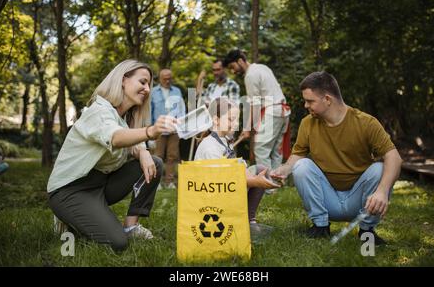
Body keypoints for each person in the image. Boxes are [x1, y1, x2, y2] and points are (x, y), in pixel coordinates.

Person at [47, 60, 178, 252]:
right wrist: (150, 132)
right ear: (123, 80)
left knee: (155, 164)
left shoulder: (123, 117)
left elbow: (128, 135)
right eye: (142, 82)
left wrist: (143, 152)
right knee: (117, 242)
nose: (147, 89)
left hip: (100, 185)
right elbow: (116, 137)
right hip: (70, 190)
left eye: (149, 84)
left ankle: (131, 226)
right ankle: (68, 218)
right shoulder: (99, 111)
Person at [270, 71, 403, 245]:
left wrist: (382, 191)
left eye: (310, 101)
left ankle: (366, 231)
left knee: (379, 169)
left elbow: (394, 157)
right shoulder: (307, 123)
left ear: (327, 99)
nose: (305, 105)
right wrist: (283, 170)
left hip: (361, 202)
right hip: (328, 199)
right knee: (301, 165)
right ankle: (320, 227)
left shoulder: (365, 122)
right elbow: (298, 155)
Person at [194, 97, 280, 226]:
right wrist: (255, 181)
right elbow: (222, 181)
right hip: (212, 199)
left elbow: (234, 168)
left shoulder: (224, 140)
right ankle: (238, 221)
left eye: (237, 120)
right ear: (216, 120)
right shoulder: (210, 147)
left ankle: (248, 220)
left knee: (261, 169)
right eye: (230, 119)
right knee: (257, 176)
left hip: (224, 189)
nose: (236, 124)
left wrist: (259, 176)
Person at [223, 50, 291, 173]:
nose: (233, 71)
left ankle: (266, 185)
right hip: (282, 110)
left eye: (233, 67)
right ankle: (275, 184)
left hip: (272, 111)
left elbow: (255, 104)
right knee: (276, 150)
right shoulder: (262, 68)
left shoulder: (250, 75)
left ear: (240, 61)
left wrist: (247, 128)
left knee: (261, 149)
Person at [150, 68, 186, 189]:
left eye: (169, 78)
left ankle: (169, 181)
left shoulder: (177, 91)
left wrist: (181, 125)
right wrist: (150, 129)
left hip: (174, 129)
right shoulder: (153, 92)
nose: (167, 80)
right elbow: (150, 110)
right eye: (165, 78)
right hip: (159, 129)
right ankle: (157, 182)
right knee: (158, 156)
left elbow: (181, 109)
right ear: (160, 78)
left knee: (172, 156)